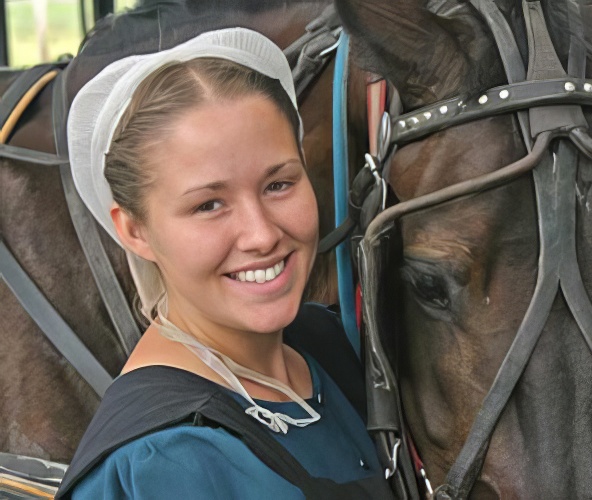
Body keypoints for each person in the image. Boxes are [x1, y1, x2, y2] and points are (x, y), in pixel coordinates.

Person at [55, 28, 394, 499]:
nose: (262, 234)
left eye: (278, 184)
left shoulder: (328, 346)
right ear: (134, 230)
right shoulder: (164, 462)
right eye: (209, 205)